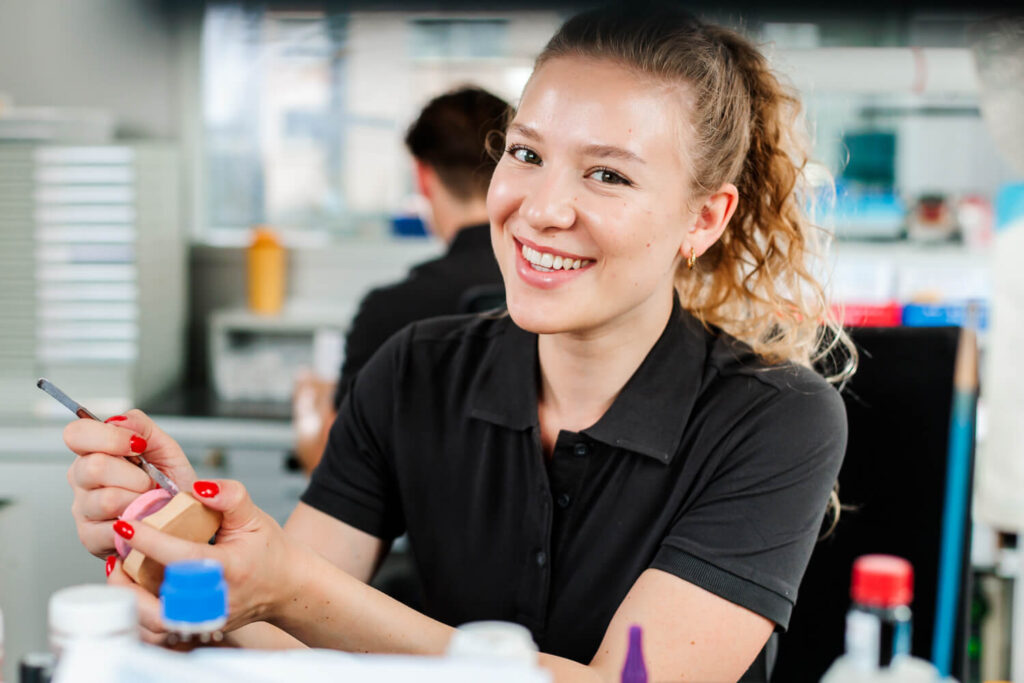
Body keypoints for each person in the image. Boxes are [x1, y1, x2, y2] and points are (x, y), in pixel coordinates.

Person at [63, 5, 856, 682]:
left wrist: (292, 587)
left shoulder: (777, 418)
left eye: (607, 175)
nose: (542, 208)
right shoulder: (416, 368)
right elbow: (277, 628)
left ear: (703, 219)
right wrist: (192, 553)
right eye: (528, 153)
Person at [293, 86, 510, 474]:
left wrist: (308, 404)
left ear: (423, 177)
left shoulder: (391, 308)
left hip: (427, 532)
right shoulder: (555, 290)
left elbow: (334, 463)